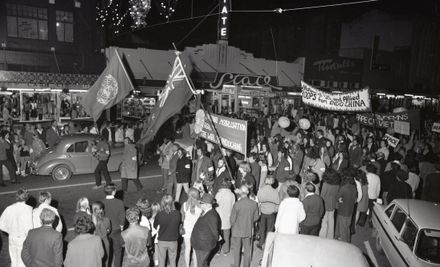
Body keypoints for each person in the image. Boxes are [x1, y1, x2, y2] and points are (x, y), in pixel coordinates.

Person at [0, 188, 33, 267]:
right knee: (23, 262)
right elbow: (30, 227)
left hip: (12, 238)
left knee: (14, 260)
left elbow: (1, 224)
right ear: (27, 197)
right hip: (23, 239)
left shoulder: (9, 208)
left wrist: (10, 231)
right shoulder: (29, 209)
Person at [230, 185, 259, 267]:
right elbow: (256, 217)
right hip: (248, 229)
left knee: (237, 250)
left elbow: (232, 220)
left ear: (240, 193)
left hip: (237, 230)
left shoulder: (237, 204)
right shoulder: (254, 204)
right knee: (247, 250)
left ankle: (236, 265)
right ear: (248, 192)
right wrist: (249, 221)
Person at [191, 193, 221, 267]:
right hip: (200, 243)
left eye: (201, 203)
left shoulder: (212, 216)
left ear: (207, 205)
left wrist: (217, 238)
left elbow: (214, 231)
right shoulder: (206, 212)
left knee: (201, 264)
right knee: (203, 263)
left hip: (204, 245)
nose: (200, 204)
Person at [154, 194, 181, 267]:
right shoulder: (177, 214)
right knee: (173, 261)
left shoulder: (159, 214)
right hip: (173, 240)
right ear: (172, 202)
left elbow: (155, 226)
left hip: (162, 240)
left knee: (161, 261)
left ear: (162, 202)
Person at [181, 188, 203, 267]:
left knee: (187, 249)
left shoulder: (184, 205)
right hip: (196, 230)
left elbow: (182, 219)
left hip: (187, 230)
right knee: (195, 250)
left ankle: (187, 265)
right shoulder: (200, 206)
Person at [256, 176, 279, 249]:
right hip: (271, 213)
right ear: (272, 182)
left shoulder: (261, 190)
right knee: (270, 229)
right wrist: (274, 210)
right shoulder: (275, 191)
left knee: (262, 228)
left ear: (266, 181)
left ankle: (261, 242)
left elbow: (258, 200)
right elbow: (277, 203)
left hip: (263, 211)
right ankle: (268, 244)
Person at [335, 169, 357, 242]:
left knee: (343, 229)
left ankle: (345, 243)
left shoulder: (343, 188)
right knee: (347, 227)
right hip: (350, 210)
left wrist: (339, 200)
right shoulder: (353, 186)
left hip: (343, 211)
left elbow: (337, 198)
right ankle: (345, 239)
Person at [319, 168, 340, 239]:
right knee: (331, 219)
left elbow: (322, 195)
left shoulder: (325, 184)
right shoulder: (337, 184)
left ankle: (322, 236)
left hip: (325, 203)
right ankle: (330, 236)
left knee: (324, 220)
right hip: (333, 203)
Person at [91, 201, 111, 267]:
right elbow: (108, 230)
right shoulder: (106, 219)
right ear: (101, 210)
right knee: (106, 260)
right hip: (105, 241)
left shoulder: (91, 221)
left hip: (95, 242)